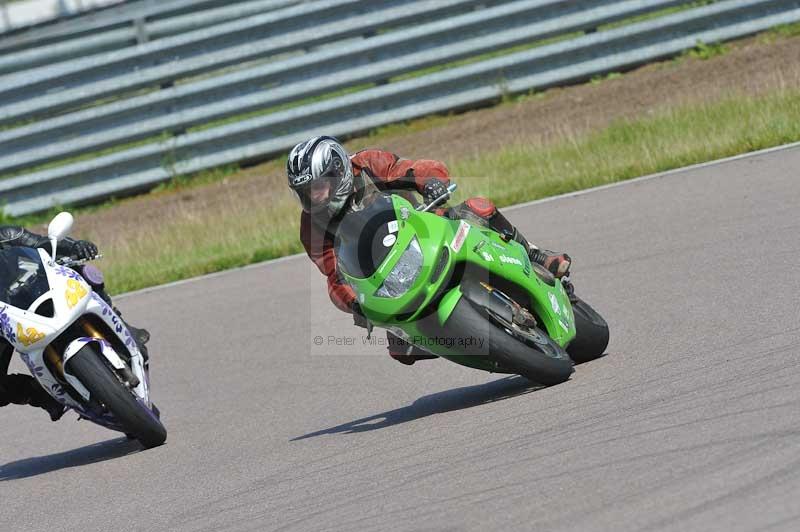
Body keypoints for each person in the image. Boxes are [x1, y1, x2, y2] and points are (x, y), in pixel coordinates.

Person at [288, 136, 572, 365]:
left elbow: (410, 170)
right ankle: (465, 341)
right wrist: (355, 304)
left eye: (318, 187)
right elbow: (334, 275)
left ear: (338, 172)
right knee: (401, 349)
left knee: (475, 208)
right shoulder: (311, 225)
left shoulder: (366, 163)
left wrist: (432, 183)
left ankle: (535, 254)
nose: (314, 197)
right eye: (305, 192)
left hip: (423, 228)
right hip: (387, 275)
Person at [0, 226, 150, 420]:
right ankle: (42, 395)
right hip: (8, 320)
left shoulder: (7, 236)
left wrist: (74, 246)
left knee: (78, 269)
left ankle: (125, 327)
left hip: (39, 292)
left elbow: (43, 244)